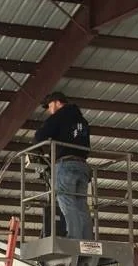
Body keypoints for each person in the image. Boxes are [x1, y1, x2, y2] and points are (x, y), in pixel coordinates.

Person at [33, 90, 93, 241]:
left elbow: (39, 136)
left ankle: (74, 238)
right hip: (82, 166)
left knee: (66, 200)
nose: (49, 110)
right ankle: (87, 240)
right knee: (81, 205)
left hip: (66, 165)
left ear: (58, 102)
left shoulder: (59, 115)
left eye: (50, 105)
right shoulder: (82, 121)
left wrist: (40, 154)